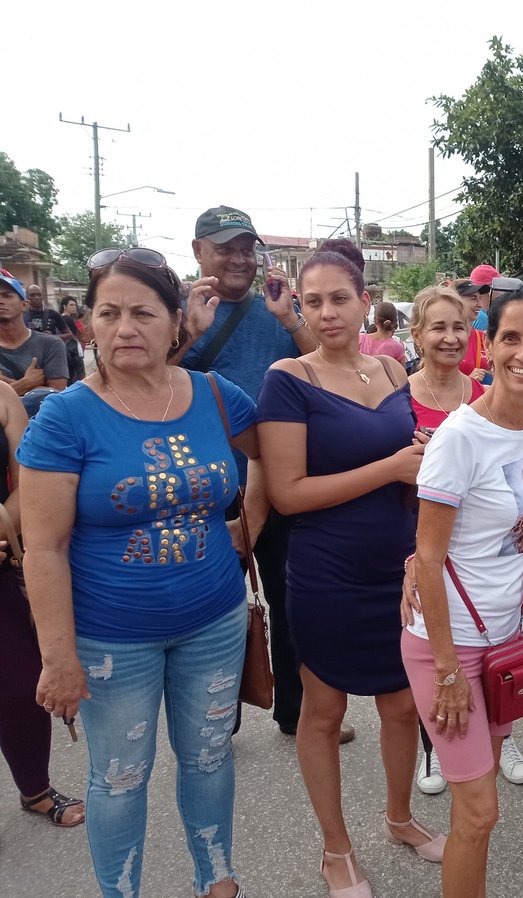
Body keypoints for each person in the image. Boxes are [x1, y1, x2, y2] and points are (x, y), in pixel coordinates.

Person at [20, 247, 262, 898]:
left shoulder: (215, 396)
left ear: (175, 323)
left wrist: (249, 530)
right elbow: (41, 547)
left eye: (143, 313)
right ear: (89, 325)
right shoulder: (65, 417)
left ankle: (217, 880)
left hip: (214, 621)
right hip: (109, 640)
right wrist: (57, 656)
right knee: (121, 776)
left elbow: (274, 457)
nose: (126, 327)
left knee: (208, 761)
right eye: (109, 312)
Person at [257, 243, 444, 898]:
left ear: (367, 301)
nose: (327, 312)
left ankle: (399, 818)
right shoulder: (289, 377)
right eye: (313, 302)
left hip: (396, 567)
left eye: (340, 298)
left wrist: (418, 459)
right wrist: (392, 467)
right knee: (324, 708)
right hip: (326, 569)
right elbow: (288, 493)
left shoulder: (393, 373)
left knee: (399, 703)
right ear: (300, 309)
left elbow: (410, 459)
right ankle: (336, 850)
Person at [402, 285, 523, 898]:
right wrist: (445, 670)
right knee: (479, 811)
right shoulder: (460, 437)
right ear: (484, 347)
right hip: (451, 651)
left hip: (501, 644)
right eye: (509, 338)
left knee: (480, 808)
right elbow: (431, 556)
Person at [176, 206, 346, 742]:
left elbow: (327, 368)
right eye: (225, 247)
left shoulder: (275, 310)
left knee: (291, 597)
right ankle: (218, 716)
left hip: (277, 480)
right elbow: (146, 380)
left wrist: (290, 318)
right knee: (212, 606)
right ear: (199, 250)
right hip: (203, 489)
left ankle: (296, 712)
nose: (238, 258)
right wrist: (187, 332)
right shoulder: (176, 314)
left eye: (246, 248)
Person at [405, 284, 523, 795]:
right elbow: (428, 531)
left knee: (481, 805)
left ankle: (480, 738)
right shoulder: (409, 403)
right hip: (442, 589)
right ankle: (434, 749)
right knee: (477, 807)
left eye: (459, 326)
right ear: (416, 335)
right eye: (438, 327)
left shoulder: (504, 408)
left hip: (497, 616)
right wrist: (414, 562)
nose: (451, 337)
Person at [0, 379, 86, 830]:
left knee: (19, 688)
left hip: (1, 554)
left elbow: (26, 479)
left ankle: (34, 788)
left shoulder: (3, 395)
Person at [0, 270, 68, 416]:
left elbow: (56, 399)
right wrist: (27, 383)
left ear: (24, 305)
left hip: (40, 429)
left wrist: (5, 383)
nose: (0, 301)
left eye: (6, 295)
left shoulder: (51, 344)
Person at [60, 296, 88, 383]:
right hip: (72, 350)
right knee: (78, 374)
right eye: (71, 305)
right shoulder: (67, 319)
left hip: (65, 349)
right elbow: (76, 334)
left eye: (75, 305)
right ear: (64, 306)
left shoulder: (59, 318)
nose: (74, 307)